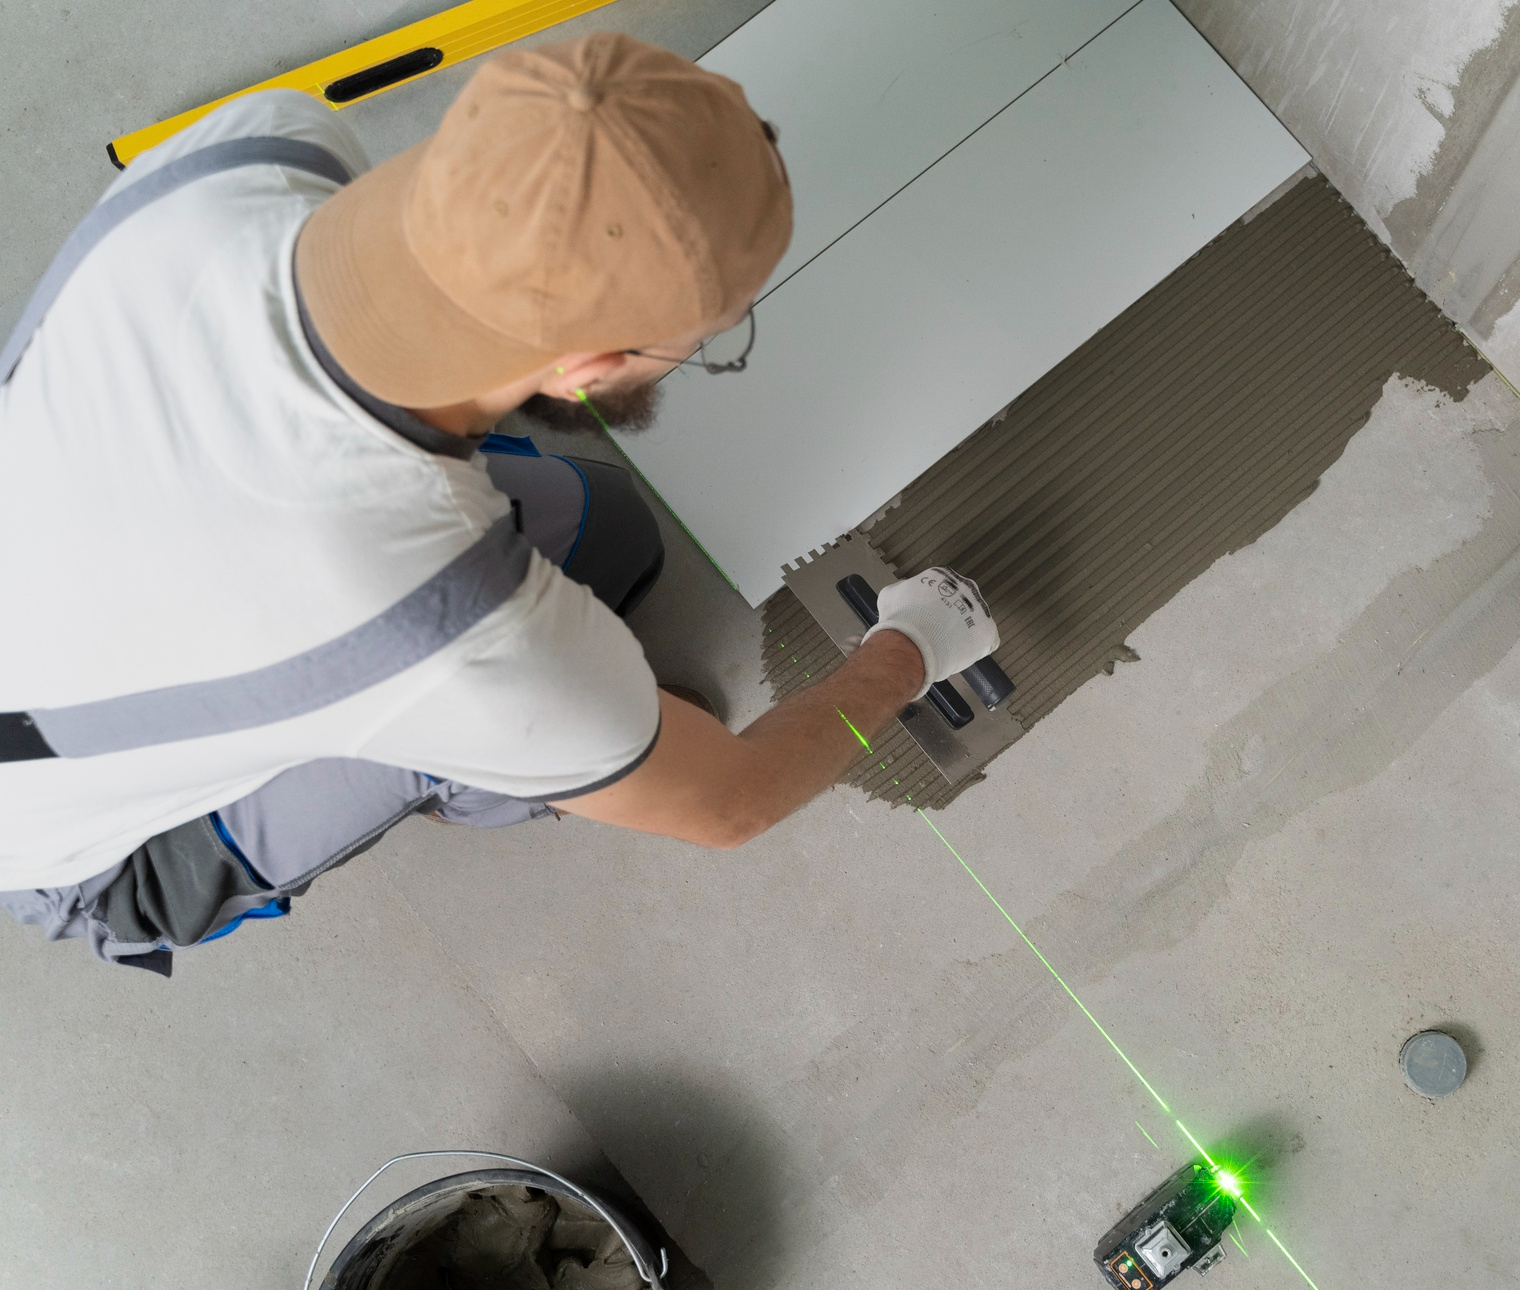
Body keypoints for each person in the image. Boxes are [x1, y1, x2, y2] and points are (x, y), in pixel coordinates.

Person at [0, 34, 999, 973]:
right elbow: (728, 802)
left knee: (607, 532)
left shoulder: (260, 148)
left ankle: (528, 748)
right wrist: (902, 656)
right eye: (712, 336)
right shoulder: (434, 630)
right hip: (76, 846)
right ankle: (469, 784)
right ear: (595, 363)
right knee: (576, 719)